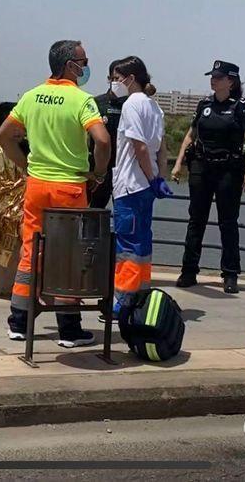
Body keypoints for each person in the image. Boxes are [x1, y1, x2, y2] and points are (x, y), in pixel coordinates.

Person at [0, 40, 111, 347]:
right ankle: (69, 330)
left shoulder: (31, 97)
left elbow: (3, 135)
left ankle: (19, 322)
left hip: (37, 186)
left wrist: (25, 166)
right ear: (70, 65)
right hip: (70, 188)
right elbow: (102, 140)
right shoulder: (82, 100)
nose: (86, 67)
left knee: (31, 253)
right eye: (84, 62)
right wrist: (98, 172)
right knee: (70, 257)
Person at [170, 60, 245, 294]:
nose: (213, 80)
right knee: (196, 220)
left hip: (229, 170)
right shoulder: (204, 105)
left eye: (219, 77)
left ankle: (230, 274)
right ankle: (189, 270)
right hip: (201, 167)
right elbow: (190, 136)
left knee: (227, 222)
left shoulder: (240, 107)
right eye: (212, 76)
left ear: (230, 81)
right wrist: (178, 163)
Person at [108, 56, 170, 316]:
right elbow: (162, 150)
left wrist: (152, 177)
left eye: (116, 78)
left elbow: (140, 146)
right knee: (142, 244)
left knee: (127, 247)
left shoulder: (132, 104)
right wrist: (159, 178)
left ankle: (122, 301)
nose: (114, 83)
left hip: (131, 186)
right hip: (146, 189)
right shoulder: (155, 108)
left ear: (130, 79)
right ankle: (140, 296)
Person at [90, 60, 127, 209]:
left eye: (123, 79)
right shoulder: (97, 103)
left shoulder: (131, 104)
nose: (119, 82)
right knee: (95, 210)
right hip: (100, 168)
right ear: (109, 79)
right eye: (116, 78)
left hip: (123, 168)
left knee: (123, 212)